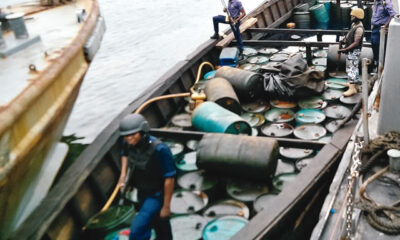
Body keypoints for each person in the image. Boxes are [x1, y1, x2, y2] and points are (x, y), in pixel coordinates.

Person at [118, 113, 176, 240]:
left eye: (133, 134)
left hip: (156, 195)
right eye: (126, 136)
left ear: (143, 131)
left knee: (137, 230)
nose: (129, 138)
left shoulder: (160, 149)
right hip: (141, 191)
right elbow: (125, 154)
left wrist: (166, 206)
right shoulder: (127, 143)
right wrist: (123, 176)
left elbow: (169, 179)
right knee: (159, 223)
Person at [338, 8, 365, 97]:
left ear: (358, 17)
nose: (351, 17)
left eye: (353, 16)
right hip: (351, 50)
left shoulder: (359, 29)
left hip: (355, 51)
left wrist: (346, 49)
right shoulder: (354, 24)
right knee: (351, 66)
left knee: (352, 68)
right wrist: (344, 40)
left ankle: (352, 89)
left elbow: (356, 42)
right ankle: (353, 84)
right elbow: (349, 34)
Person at [371, 0, 397, 67]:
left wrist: (385, 26)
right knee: (374, 46)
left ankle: (381, 67)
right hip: (374, 28)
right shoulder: (376, 2)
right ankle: (377, 66)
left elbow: (393, 15)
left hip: (380, 28)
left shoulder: (386, 2)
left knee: (380, 49)